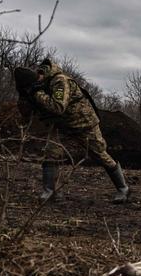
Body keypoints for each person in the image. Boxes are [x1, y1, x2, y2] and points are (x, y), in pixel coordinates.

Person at [14, 58, 130, 203]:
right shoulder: (37, 87)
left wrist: (37, 93)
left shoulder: (59, 81)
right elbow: (27, 114)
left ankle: (123, 188)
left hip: (83, 124)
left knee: (100, 155)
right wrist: (25, 97)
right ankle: (50, 192)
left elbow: (58, 107)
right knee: (51, 152)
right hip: (60, 125)